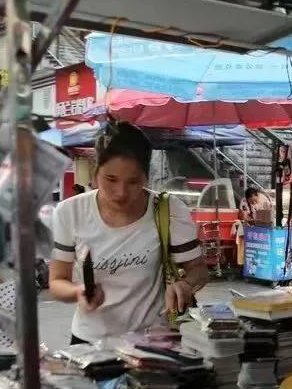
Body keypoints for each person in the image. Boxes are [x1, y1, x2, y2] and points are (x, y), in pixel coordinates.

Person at [50, 121, 209, 344]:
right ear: (95, 173)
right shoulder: (70, 212)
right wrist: (78, 292)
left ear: (146, 177)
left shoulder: (168, 210)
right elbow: (57, 281)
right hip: (91, 342)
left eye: (133, 181)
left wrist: (186, 284)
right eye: (110, 179)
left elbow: (199, 270)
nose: (121, 193)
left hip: (153, 341)